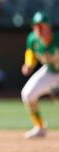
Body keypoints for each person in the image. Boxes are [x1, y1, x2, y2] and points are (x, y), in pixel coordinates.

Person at [21, 11, 59, 139]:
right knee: (27, 94)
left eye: (41, 25)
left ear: (48, 27)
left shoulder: (57, 39)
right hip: (50, 70)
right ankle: (40, 127)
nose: (38, 29)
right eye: (36, 25)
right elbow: (30, 52)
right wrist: (29, 64)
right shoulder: (33, 39)